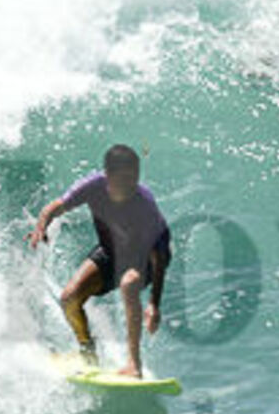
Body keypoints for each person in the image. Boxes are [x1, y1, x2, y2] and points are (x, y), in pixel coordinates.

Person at [27, 143, 172, 377]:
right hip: (111, 252)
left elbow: (159, 257)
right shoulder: (93, 186)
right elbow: (56, 206)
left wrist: (154, 303)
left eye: (134, 177)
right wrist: (41, 226)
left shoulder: (144, 203)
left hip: (143, 258)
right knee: (69, 298)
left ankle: (134, 364)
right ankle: (88, 351)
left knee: (129, 283)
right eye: (125, 179)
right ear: (108, 175)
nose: (131, 184)